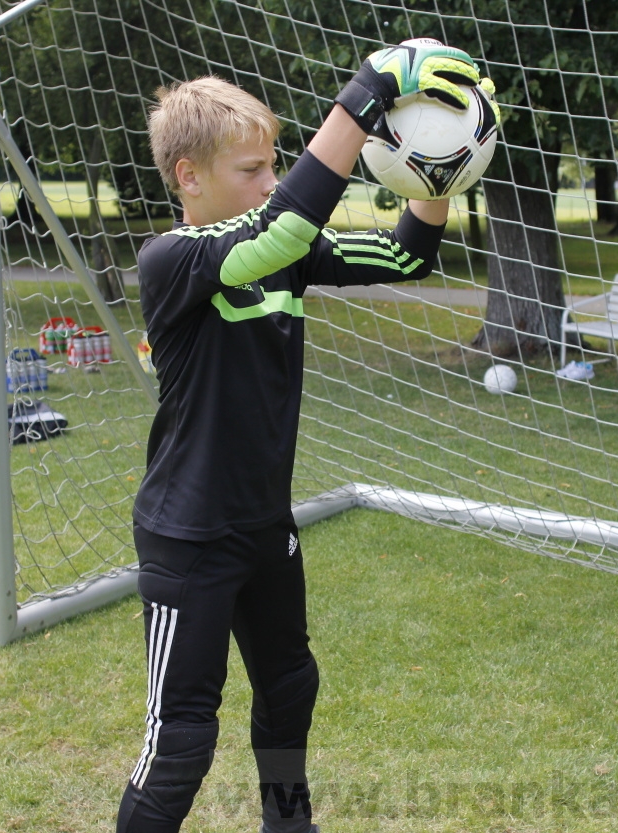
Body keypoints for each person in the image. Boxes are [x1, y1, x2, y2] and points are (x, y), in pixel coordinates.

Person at [118, 40, 496, 833]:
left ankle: (288, 825)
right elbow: (285, 227)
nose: (267, 181)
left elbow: (405, 254)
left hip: (262, 526)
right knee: (181, 738)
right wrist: (365, 94)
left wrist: (437, 172)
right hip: (188, 538)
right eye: (249, 170)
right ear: (188, 175)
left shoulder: (282, 251)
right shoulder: (171, 260)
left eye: (271, 164)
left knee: (290, 689)